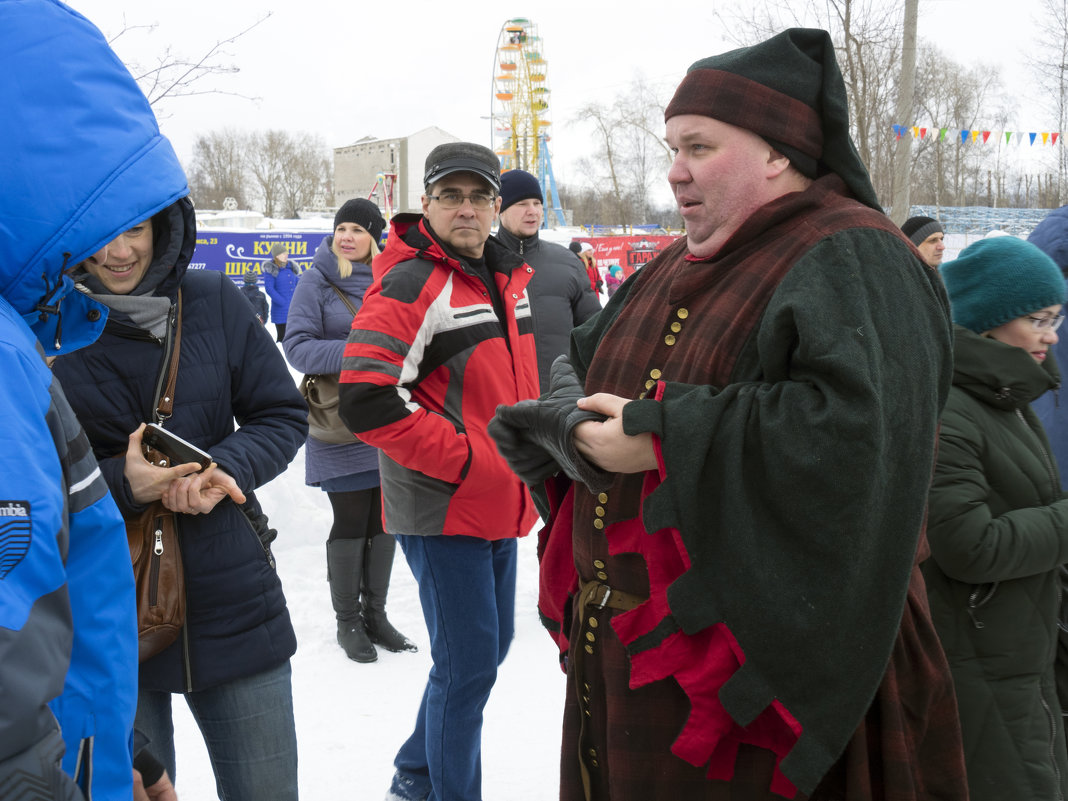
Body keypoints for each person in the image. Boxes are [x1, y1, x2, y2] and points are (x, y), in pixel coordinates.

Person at [490, 28, 966, 801]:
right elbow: (577, 361)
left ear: (778, 151)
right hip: (634, 658)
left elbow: (865, 440)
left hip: (768, 682)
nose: (675, 170)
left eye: (700, 147)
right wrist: (566, 424)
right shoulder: (676, 261)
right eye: (672, 147)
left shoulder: (856, 254)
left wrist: (664, 439)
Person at [51, 162, 308, 797]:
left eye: (134, 229)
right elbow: (27, 480)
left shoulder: (215, 300)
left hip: (234, 602)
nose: (118, 252)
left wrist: (226, 468)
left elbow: (282, 413)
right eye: (99, 234)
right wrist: (121, 483)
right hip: (109, 616)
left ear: (163, 225)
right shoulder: (42, 331)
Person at [0, 1, 186, 798]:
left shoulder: (26, 336)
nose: (113, 247)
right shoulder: (10, 353)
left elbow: (60, 601)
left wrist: (116, 745)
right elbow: (14, 629)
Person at [337, 142, 540, 801]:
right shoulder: (411, 280)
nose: (466, 208)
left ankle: (417, 767)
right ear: (425, 204)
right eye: (450, 196)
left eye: (478, 197)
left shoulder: (506, 277)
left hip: (497, 497)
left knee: (489, 647)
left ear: (495, 206)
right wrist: (472, 459)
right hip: (444, 501)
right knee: (469, 664)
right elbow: (366, 397)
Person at [924, 235, 1068, 801]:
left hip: (1018, 650)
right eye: (1038, 318)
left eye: (1056, 318)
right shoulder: (952, 408)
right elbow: (966, 544)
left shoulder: (1001, 395)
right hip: (979, 661)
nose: (1051, 335)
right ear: (988, 320)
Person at [283, 197, 416, 663]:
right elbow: (297, 348)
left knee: (385, 518)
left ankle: (376, 615)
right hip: (338, 423)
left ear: (375, 239)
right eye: (342, 227)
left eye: (358, 229)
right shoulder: (315, 282)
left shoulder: (391, 281)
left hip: (387, 418)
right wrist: (362, 351)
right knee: (351, 518)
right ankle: (347, 622)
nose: (347, 236)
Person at [497, 169, 601, 393]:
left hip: (562, 401)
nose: (532, 211)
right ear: (499, 209)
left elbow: (595, 334)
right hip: (501, 406)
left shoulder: (568, 263)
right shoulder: (482, 263)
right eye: (522, 204)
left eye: (537, 203)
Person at [262, 241, 301, 341]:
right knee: (282, 338)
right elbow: (269, 289)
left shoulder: (290, 268)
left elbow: (297, 282)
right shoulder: (272, 269)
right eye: (283, 253)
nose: (286, 255)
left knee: (293, 338)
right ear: (277, 256)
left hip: (294, 309)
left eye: (286, 253)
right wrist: (282, 302)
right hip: (281, 310)